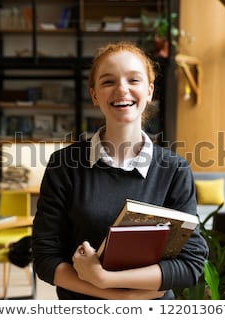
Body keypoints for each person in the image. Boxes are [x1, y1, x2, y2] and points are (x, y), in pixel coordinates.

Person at [32, 41, 208, 300]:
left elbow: (190, 264)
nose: (121, 89)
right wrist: (116, 296)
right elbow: (45, 257)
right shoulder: (63, 165)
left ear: (149, 91)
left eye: (133, 80)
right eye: (108, 82)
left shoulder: (174, 170)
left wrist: (106, 281)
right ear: (94, 95)